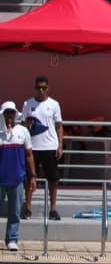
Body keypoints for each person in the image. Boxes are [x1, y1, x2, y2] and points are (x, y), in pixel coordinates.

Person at [21, 76, 63, 220]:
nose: (41, 90)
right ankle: (27, 207)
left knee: (53, 179)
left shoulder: (54, 104)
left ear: (48, 88)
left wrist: (60, 145)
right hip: (32, 147)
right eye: (38, 87)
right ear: (35, 88)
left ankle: (53, 209)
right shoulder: (28, 104)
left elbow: (58, 125)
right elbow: (23, 125)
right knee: (30, 178)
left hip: (50, 146)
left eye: (44, 87)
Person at [1, 101, 35, 251]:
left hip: (17, 178)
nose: (9, 115)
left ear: (16, 114)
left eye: (11, 112)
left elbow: (29, 155)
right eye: (7, 112)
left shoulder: (23, 131)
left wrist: (32, 176)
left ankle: (12, 239)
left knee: (15, 211)